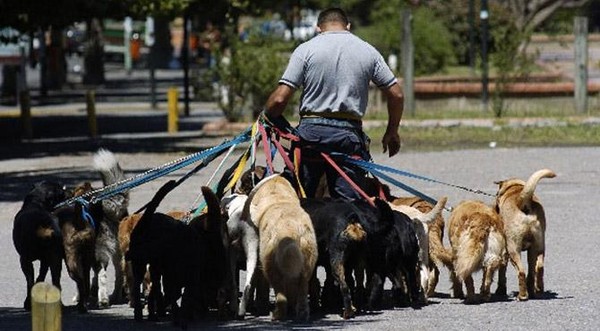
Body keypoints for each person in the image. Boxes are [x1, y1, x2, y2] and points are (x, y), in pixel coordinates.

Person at [263, 7, 403, 200]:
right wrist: (392, 131)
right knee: (349, 205)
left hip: (312, 136)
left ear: (318, 27)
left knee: (302, 199)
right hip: (349, 136)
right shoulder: (368, 51)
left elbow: (279, 99)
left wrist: (266, 116)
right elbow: (396, 94)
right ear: (348, 26)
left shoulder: (306, 50)